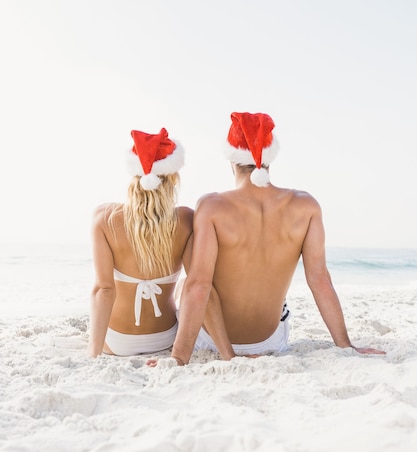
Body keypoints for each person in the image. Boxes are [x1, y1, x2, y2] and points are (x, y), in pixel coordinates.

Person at [168, 111, 385, 365]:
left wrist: (178, 358)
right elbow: (319, 280)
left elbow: (199, 286)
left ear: (232, 160)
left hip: (212, 339)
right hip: (270, 341)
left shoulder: (212, 206)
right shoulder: (306, 206)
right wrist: (346, 345)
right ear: (269, 159)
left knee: (187, 283)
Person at [88, 127, 193, 357]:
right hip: (165, 338)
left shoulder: (105, 218)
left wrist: (92, 354)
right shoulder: (186, 219)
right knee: (186, 285)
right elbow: (197, 284)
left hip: (118, 341)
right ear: (172, 179)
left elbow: (103, 290)